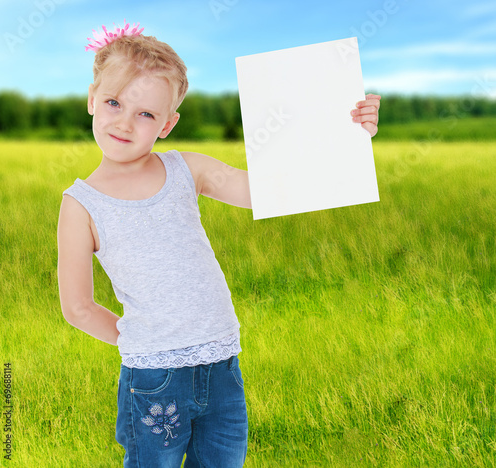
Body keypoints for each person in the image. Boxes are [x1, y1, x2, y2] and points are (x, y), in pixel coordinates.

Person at [56, 21, 381, 468]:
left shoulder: (187, 169)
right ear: (93, 97)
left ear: (168, 123)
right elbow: (78, 307)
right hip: (154, 376)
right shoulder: (81, 204)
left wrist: (347, 133)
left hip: (222, 361)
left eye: (146, 113)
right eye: (113, 102)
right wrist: (145, 343)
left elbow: (267, 189)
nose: (125, 122)